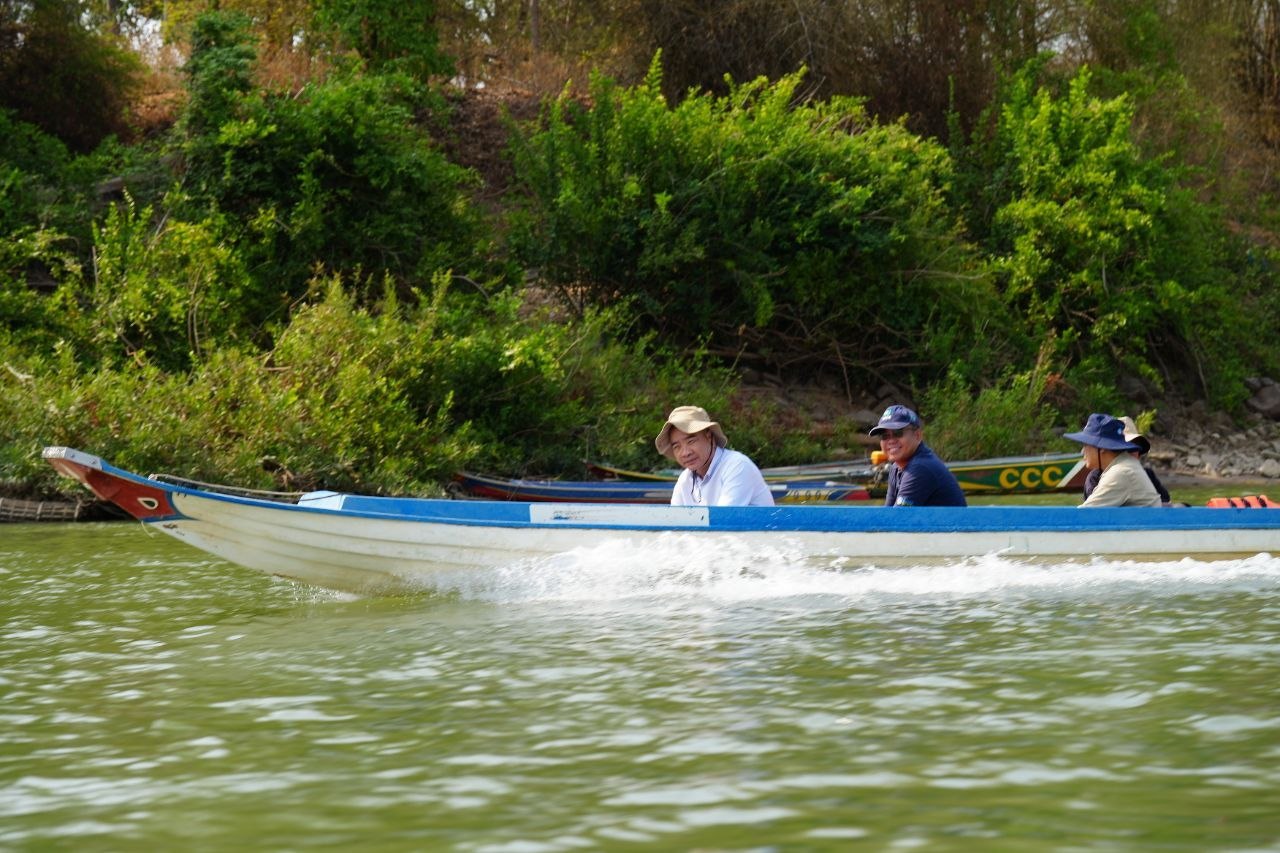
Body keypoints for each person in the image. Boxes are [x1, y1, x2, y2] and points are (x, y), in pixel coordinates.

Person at [654, 406, 775, 507]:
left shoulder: (737, 465)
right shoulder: (685, 479)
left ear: (709, 436)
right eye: (677, 446)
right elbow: (676, 522)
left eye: (691, 441)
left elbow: (723, 520)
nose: (685, 452)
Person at [869, 404, 967, 507]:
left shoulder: (920, 468)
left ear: (917, 436)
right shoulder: (895, 468)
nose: (891, 441)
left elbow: (898, 515)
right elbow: (888, 512)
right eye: (885, 436)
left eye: (898, 433)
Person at [1063, 413, 1162, 507]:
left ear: (1102, 448)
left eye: (1086, 445)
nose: (1082, 451)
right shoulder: (1124, 465)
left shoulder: (1121, 472)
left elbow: (1084, 514)